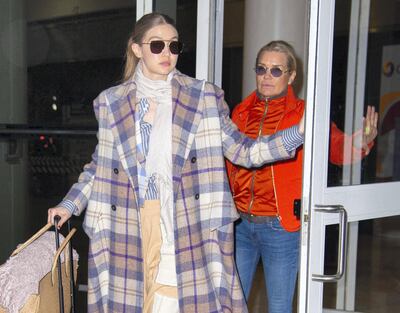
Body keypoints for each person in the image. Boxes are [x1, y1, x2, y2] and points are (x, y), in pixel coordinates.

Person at [47, 15, 305, 313]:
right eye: (157, 45)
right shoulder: (111, 103)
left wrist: (296, 134)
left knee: (175, 301)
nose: (167, 53)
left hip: (185, 219)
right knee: (136, 304)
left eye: (174, 45)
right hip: (129, 222)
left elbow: (243, 150)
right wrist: (70, 205)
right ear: (136, 49)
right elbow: (98, 166)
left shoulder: (202, 97)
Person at [225, 40, 378, 313]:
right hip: (241, 226)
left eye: (276, 70)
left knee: (280, 306)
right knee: (233, 304)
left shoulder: (304, 115)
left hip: (280, 227)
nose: (266, 77)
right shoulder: (240, 112)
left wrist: (361, 142)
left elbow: (336, 147)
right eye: (261, 69)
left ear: (291, 76)